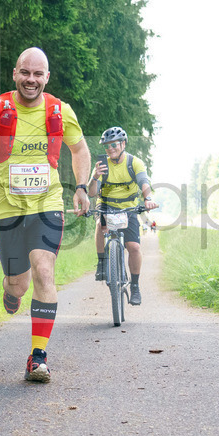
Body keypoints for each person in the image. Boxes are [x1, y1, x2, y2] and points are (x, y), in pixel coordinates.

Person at [0, 47, 91, 383]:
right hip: (6, 208)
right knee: (19, 284)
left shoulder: (60, 111)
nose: (31, 80)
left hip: (47, 204)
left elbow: (79, 148)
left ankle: (38, 356)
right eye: (26, 73)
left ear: (47, 77)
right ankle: (10, 290)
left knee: (44, 270)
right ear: (14, 74)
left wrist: (81, 186)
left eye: (38, 74)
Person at [87, 127, 157, 305]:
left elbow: (144, 182)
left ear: (123, 144)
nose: (110, 149)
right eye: (107, 146)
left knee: (133, 247)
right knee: (99, 226)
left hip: (128, 208)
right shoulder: (102, 163)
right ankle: (102, 263)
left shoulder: (134, 162)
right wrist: (95, 177)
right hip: (106, 204)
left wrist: (148, 198)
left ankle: (135, 286)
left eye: (114, 145)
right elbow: (92, 193)